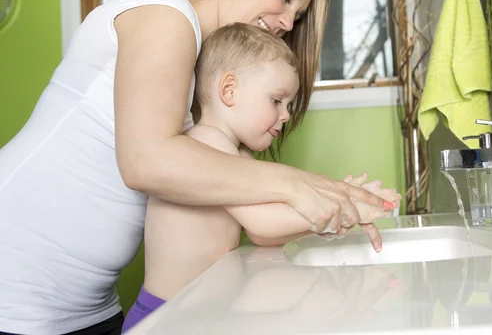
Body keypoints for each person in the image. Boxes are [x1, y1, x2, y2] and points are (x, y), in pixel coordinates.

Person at [0, 0, 398, 334]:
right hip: (15, 288)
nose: (288, 23)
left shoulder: (213, 88)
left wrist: (334, 205)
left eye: (298, 14)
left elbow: (253, 215)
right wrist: (301, 184)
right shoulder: (166, 15)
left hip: (86, 305)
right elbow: (146, 161)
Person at [120, 23, 399, 333]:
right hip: (164, 318)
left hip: (196, 315)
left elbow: (264, 236)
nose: (286, 115)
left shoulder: (238, 155)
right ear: (229, 91)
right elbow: (263, 222)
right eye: (276, 101)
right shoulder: (205, 143)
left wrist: (327, 217)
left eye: (288, 105)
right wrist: (345, 206)